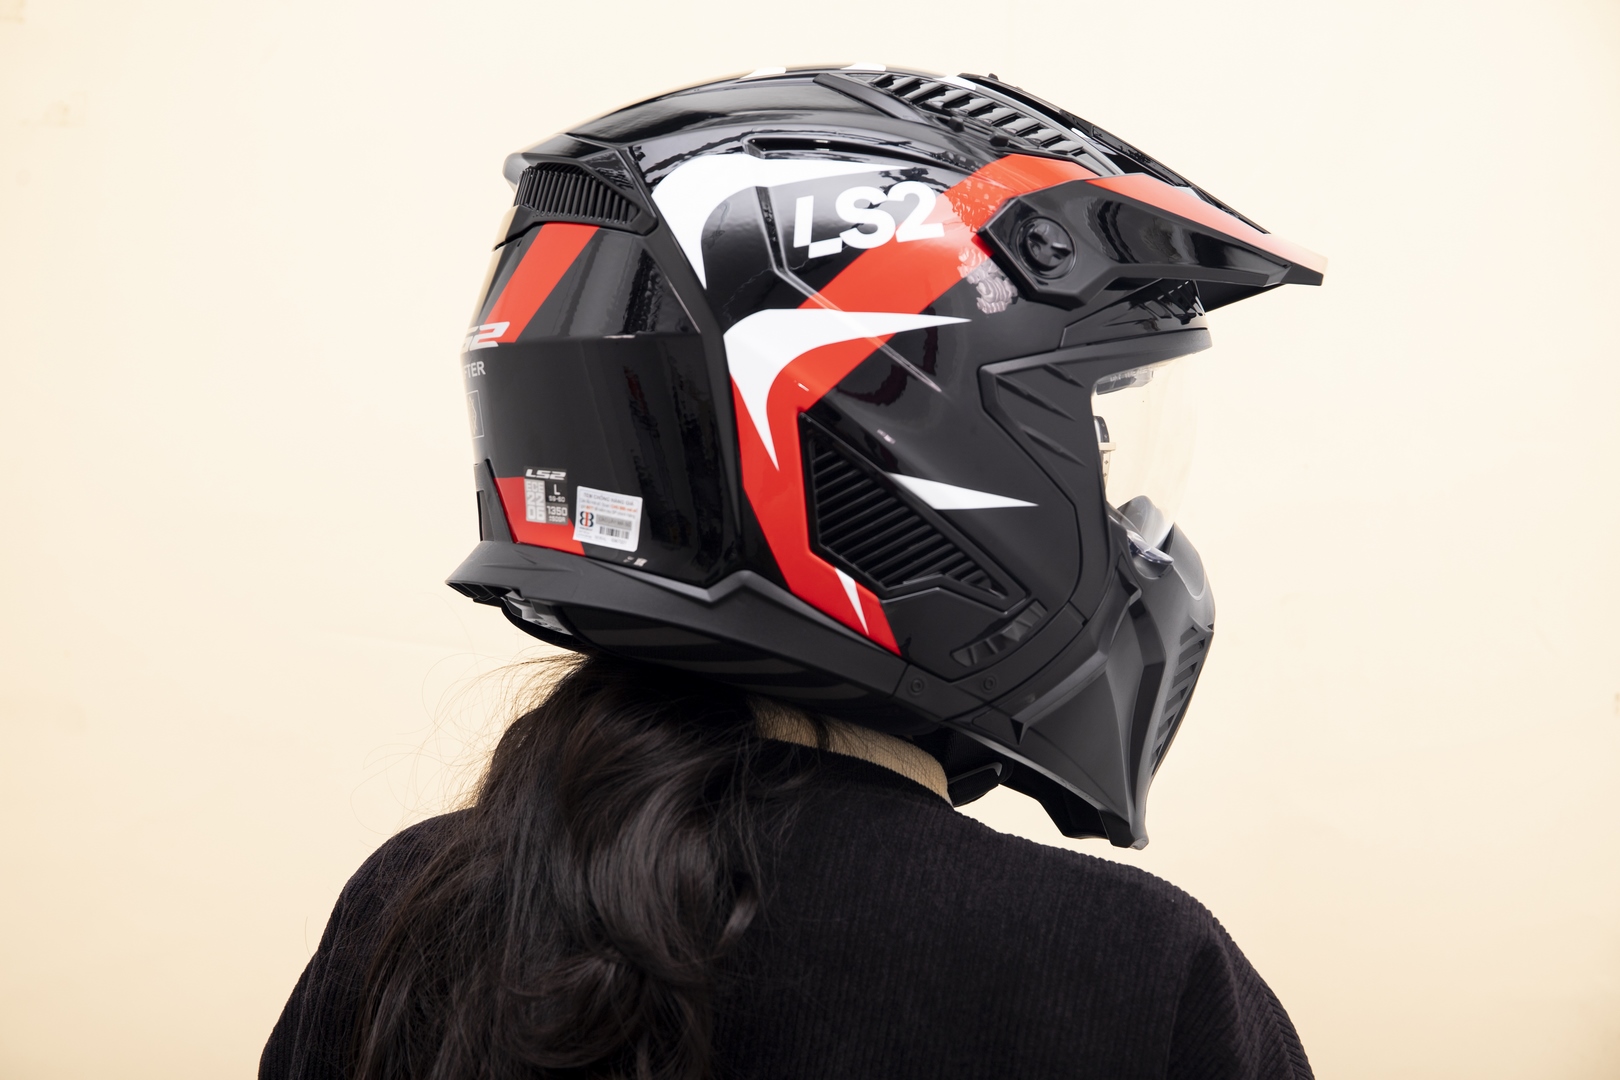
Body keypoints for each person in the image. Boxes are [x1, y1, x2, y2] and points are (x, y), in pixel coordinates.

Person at [262, 66, 1325, 1079]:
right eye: (1088, 430)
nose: (1127, 514)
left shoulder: (408, 915)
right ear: (891, 426)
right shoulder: (1130, 973)